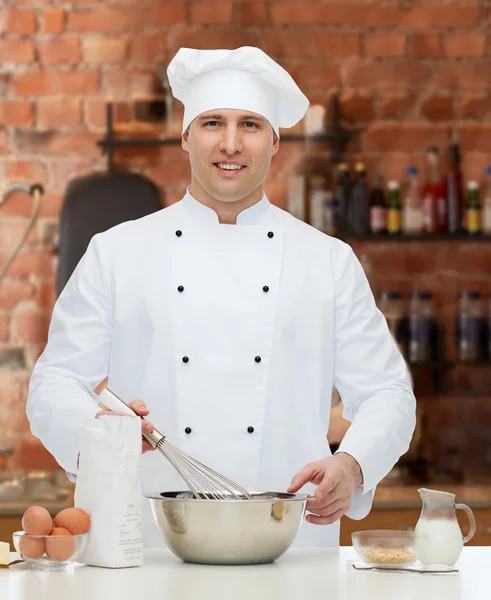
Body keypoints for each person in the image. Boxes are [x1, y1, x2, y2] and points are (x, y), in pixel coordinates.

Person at [26, 46, 416, 547]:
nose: (230, 144)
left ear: (275, 142)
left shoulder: (328, 261)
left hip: (291, 549)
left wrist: (353, 464)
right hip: (147, 546)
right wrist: (101, 435)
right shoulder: (116, 253)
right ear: (187, 137)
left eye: (250, 125)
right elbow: (54, 381)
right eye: (213, 123)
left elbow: (387, 393)